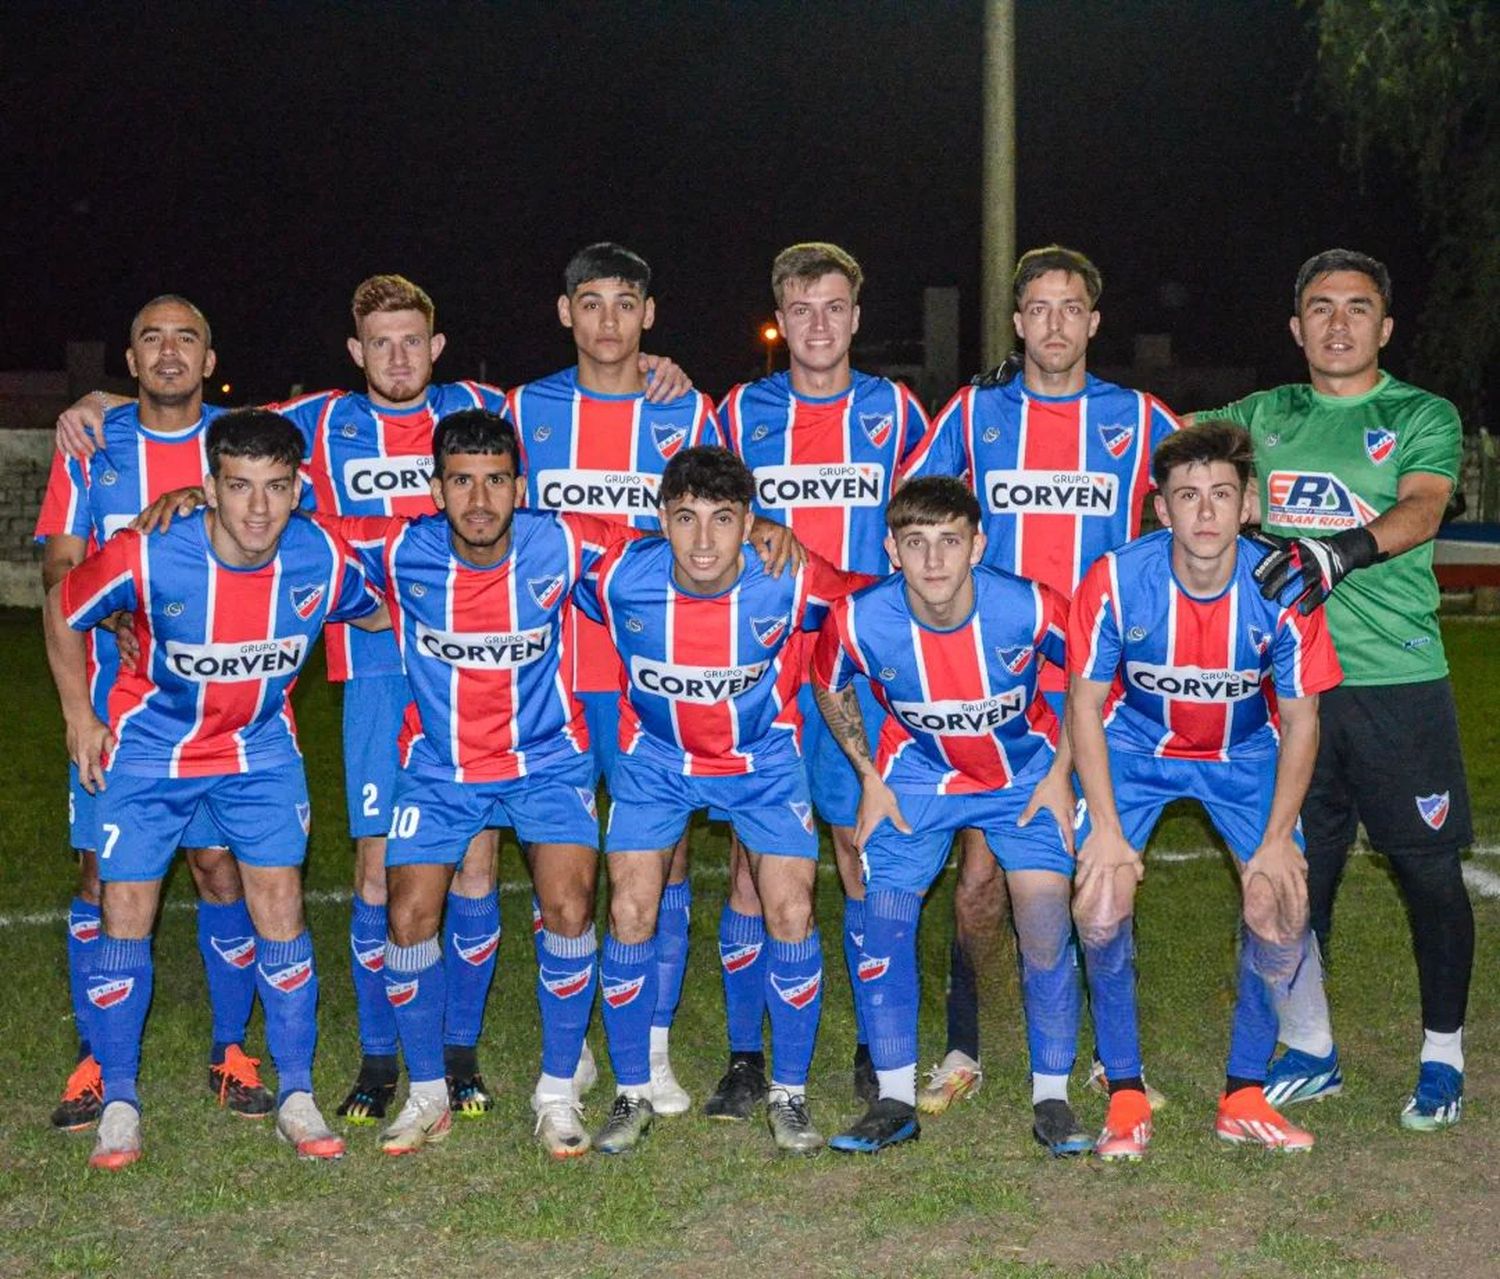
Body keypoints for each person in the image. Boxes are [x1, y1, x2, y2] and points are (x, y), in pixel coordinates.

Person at [57, 274, 693, 1123]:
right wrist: (107, 399)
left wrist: (660, 366)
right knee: (377, 872)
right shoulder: (317, 420)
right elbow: (234, 448)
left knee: (474, 862)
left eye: (412, 341)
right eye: (379, 342)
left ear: (436, 347)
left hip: (492, 656)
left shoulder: (479, 401)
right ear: (356, 352)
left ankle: (458, 1051)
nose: (398, 357)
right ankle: (382, 1054)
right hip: (377, 657)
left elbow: (600, 373)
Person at [42, 410, 387, 1169]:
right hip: (150, 753)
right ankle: (122, 1101)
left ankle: (295, 1091)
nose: (258, 508)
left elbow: (379, 611)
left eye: (275, 487)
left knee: (281, 907)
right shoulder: (150, 551)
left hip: (258, 752)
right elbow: (62, 606)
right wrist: (78, 714)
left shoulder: (320, 558)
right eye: (239, 487)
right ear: (208, 488)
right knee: (124, 910)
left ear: (299, 490)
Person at [1193, 249, 1475, 1130]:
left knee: (1428, 874)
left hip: (1397, 682)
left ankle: (1443, 1055)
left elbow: (1426, 506)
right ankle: (1312, 1050)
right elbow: (1150, 441)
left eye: (1358, 308)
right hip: (1290, 693)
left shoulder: (1420, 413)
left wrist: (1339, 550)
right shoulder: (1259, 416)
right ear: (1296, 326)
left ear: (1384, 327)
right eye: (1320, 308)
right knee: (1294, 880)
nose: (1338, 323)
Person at [900, 245, 1178, 1112]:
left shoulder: (1139, 416)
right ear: (1017, 322)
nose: (1054, 322)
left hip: (1106, 690)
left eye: (1071, 307)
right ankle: (963, 1042)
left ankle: (1110, 1055)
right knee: (981, 882)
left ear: (1094, 322)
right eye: (1038, 308)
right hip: (1000, 692)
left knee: (1100, 875)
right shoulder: (975, 414)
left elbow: (1210, 503)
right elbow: (913, 511)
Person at [322, 410, 642, 1158]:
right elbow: (292, 529)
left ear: (518, 486)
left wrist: (757, 535)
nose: (479, 498)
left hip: (545, 761)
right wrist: (193, 505)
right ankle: (428, 1090)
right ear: (436, 489)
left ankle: (556, 1091)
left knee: (569, 905)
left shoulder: (560, 540)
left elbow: (666, 555)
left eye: (495, 480)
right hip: (439, 767)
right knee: (407, 916)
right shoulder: (400, 547)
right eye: (461, 481)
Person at [573, 447, 868, 1155]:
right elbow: (523, 530)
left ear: (749, 523)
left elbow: (885, 595)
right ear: (661, 522)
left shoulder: (789, 579)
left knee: (791, 908)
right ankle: (632, 1090)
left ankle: (788, 1096)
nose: (703, 541)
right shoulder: (618, 573)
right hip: (657, 763)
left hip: (762, 764)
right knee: (629, 909)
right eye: (686, 519)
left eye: (723, 520)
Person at [1066, 422, 1343, 1158]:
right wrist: (1104, 831)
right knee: (1098, 895)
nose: (1206, 511)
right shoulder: (1117, 579)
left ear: (1248, 503)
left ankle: (1244, 1092)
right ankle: (1124, 1089)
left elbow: (1301, 718)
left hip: (1244, 749)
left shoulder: (1283, 587)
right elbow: (1086, 705)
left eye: (1222, 493)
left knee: (1281, 902)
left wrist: (1279, 839)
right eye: (1187, 496)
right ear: (1162, 509)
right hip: (1135, 747)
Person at [33, 296, 266, 1130]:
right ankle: (96, 1058)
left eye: (187, 339)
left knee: (219, 871)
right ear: (128, 362)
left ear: (210, 359)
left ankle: (232, 1047)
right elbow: (62, 580)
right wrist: (74, 714)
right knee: (100, 877)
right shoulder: (92, 446)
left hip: (217, 708)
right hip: (113, 709)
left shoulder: (243, 444)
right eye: (150, 339)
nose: (169, 353)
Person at [506, 243, 726, 1113]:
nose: (607, 321)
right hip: (549, 681)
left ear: (648, 314)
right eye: (589, 303)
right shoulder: (523, 408)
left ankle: (654, 1042)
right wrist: (109, 405)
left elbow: (730, 523)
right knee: (565, 870)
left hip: (655, 682)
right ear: (566, 313)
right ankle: (575, 1047)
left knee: (661, 862)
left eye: (624, 303)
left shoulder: (688, 410)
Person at [811, 476, 1088, 1156]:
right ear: (891, 549)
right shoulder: (857, 616)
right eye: (915, 543)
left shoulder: (1027, 605)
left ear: (977, 544)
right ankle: (895, 1099)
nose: (933, 560)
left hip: (1022, 775)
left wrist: (1059, 771)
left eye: (949, 541)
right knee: (885, 923)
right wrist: (869, 777)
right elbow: (828, 679)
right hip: (917, 775)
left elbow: (1091, 668)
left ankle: (1053, 1099)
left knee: (1046, 919)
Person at [716, 241, 931, 1114]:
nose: (817, 324)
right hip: (758, 666)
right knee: (747, 857)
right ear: (779, 312)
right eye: (800, 308)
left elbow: (925, 525)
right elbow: (699, 506)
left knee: (856, 848)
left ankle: (877, 1042)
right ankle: (743, 1055)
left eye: (833, 307)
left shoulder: (895, 410)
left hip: (854, 668)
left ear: (856, 314)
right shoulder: (735, 412)